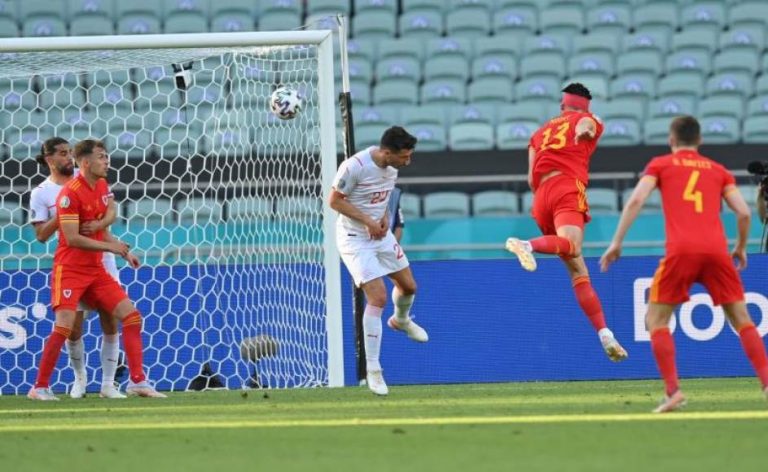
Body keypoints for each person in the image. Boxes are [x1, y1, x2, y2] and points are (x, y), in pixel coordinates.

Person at [600, 116, 768, 413]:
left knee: (655, 320)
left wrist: (616, 242)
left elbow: (636, 200)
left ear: (671, 140)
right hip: (717, 252)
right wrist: (740, 247)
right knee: (742, 319)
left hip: (681, 251)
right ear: (700, 141)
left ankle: (673, 391)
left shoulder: (661, 165)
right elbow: (743, 213)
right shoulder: (718, 170)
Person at [28, 139, 165, 400]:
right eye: (101, 157)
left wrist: (122, 250)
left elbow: (105, 219)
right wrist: (112, 247)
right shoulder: (67, 194)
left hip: (97, 267)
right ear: (86, 162)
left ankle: (135, 382)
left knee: (130, 317)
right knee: (67, 327)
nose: (107, 161)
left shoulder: (100, 184)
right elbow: (71, 238)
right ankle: (41, 386)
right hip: (70, 269)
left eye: (106, 156)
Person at [505, 83, 628, 362]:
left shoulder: (539, 133)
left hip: (541, 198)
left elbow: (530, 178)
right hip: (566, 186)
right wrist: (585, 131)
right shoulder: (588, 119)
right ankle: (526, 245)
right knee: (573, 245)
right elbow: (586, 125)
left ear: (563, 105)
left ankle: (605, 335)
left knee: (577, 269)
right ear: (585, 105)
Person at [329, 126, 428, 396]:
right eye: (404, 156)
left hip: (380, 234)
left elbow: (381, 197)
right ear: (386, 153)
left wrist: (383, 217)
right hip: (354, 238)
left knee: (409, 287)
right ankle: (373, 369)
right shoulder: (355, 167)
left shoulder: (392, 169)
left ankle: (401, 320)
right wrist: (368, 221)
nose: (408, 161)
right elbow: (334, 201)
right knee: (378, 297)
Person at [29, 137, 126, 399]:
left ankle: (108, 384)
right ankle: (79, 379)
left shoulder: (90, 180)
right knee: (73, 326)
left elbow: (110, 211)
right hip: (74, 262)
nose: (68, 158)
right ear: (49, 159)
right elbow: (41, 235)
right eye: (62, 153)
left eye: (70, 152)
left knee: (111, 318)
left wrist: (103, 229)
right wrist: (64, 213)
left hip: (103, 258)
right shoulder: (42, 193)